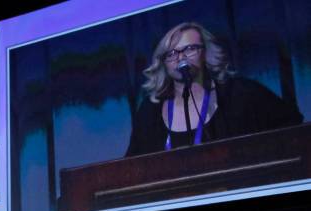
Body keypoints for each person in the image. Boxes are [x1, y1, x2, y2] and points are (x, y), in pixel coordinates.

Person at [126, 22, 303, 157]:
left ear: (206, 53)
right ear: (163, 62)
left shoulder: (242, 93)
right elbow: (132, 164)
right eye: (171, 54)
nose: (180, 57)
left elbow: (294, 131)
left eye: (189, 49)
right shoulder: (150, 111)